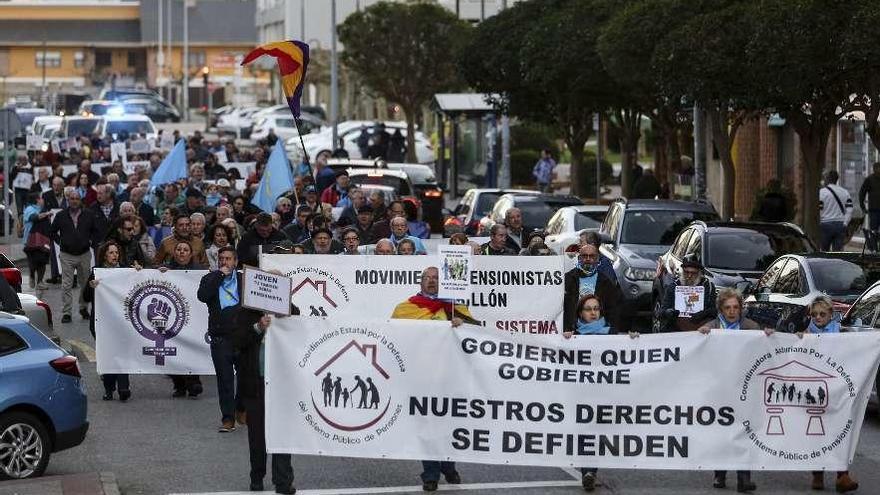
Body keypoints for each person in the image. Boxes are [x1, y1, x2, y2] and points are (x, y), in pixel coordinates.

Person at [391, 266, 476, 491]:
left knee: (448, 422)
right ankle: (430, 473)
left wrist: (462, 324)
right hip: (422, 375)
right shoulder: (405, 308)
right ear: (420, 282)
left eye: (436, 277)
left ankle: (448, 466)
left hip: (449, 374)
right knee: (427, 423)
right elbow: (395, 337)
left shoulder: (454, 307)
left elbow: (474, 334)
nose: (431, 281)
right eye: (427, 278)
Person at [562, 294, 637, 491]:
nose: (593, 313)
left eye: (596, 309)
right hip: (580, 391)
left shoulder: (610, 332)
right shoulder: (573, 334)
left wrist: (632, 340)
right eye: (588, 309)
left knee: (599, 431)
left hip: (604, 391)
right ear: (580, 312)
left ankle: (591, 471)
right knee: (583, 431)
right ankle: (588, 471)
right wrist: (564, 340)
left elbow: (626, 352)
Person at [795, 296, 858, 493]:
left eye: (822, 314)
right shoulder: (805, 334)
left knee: (839, 431)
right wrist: (798, 339)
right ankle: (818, 474)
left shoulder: (841, 333)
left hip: (837, 389)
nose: (818, 318)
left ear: (831, 315)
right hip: (813, 389)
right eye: (814, 315)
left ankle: (842, 475)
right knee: (816, 432)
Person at [231, 311, 296, 494]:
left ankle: (283, 481)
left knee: (282, 434)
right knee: (257, 435)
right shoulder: (244, 312)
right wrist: (258, 327)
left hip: (280, 382)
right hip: (254, 382)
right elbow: (237, 341)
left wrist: (284, 312)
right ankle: (256, 478)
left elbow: (298, 327)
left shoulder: (288, 310)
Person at [197, 246, 249, 433]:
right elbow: (202, 296)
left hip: (243, 336)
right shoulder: (210, 278)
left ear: (236, 262)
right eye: (222, 259)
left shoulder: (245, 279)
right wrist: (219, 275)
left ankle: (241, 408)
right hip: (220, 337)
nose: (225, 262)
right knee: (225, 380)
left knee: (245, 377)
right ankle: (228, 418)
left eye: (228, 259)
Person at [83, 240, 131, 402]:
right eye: (111, 252)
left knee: (121, 352)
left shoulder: (125, 270)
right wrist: (91, 286)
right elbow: (85, 297)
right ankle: (109, 389)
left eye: (116, 252)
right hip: (101, 322)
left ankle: (124, 387)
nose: (114, 255)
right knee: (109, 354)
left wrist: (138, 272)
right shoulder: (97, 272)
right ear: (104, 255)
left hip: (121, 320)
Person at [159, 240, 204, 398]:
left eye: (186, 250)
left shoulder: (199, 271)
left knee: (191, 349)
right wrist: (161, 274)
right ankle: (179, 385)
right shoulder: (166, 270)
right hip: (173, 317)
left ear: (191, 254)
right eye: (179, 249)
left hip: (193, 317)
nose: (182, 252)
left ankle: (194, 382)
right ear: (174, 253)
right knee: (173, 350)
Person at [51, 187, 101, 323]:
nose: (74, 201)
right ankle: (66, 312)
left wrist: (91, 241)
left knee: (85, 283)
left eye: (76, 199)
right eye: (71, 199)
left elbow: (96, 231)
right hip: (66, 254)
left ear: (80, 201)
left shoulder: (89, 214)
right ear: (68, 200)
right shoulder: (61, 215)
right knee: (66, 284)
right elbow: (52, 231)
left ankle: (83, 308)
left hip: (84, 254)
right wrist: (60, 241)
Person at [564, 244, 625, 333]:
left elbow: (613, 309)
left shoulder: (606, 281)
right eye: (584, 256)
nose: (588, 259)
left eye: (592, 256)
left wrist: (613, 330)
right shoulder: (568, 278)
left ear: (597, 259)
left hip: (599, 331)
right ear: (579, 258)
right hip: (573, 331)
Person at [658, 257, 717, 332]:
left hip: (701, 329)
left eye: (693, 273)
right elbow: (661, 312)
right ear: (682, 271)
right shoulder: (674, 287)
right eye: (686, 272)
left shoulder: (708, 287)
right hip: (677, 329)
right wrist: (669, 312)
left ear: (699, 273)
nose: (689, 276)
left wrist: (703, 314)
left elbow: (714, 311)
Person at [22, 192, 52, 290]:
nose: (43, 200)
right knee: (33, 261)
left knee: (43, 261)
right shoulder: (29, 209)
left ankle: (40, 282)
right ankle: (32, 276)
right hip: (30, 241)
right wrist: (46, 214)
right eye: (41, 198)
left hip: (43, 240)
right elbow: (34, 218)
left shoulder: (42, 209)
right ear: (37, 200)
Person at [819, 169, 853, 251]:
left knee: (824, 252)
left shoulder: (821, 192)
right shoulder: (845, 192)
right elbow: (850, 209)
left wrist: (820, 220)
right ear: (837, 179)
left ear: (827, 179)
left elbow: (819, 209)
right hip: (840, 225)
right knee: (837, 253)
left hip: (825, 225)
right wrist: (845, 223)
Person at [859, 162, 880, 233]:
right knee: (874, 231)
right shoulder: (869, 179)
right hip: (874, 210)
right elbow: (862, 193)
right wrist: (863, 207)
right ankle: (873, 243)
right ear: (874, 169)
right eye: (877, 168)